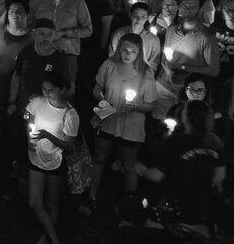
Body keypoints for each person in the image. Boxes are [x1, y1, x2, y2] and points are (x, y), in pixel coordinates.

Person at [133, 100, 226, 241]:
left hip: (175, 210)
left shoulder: (176, 142)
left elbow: (156, 176)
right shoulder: (215, 142)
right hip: (201, 212)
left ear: (185, 117)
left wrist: (141, 169)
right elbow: (219, 179)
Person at [85, 33, 157, 215]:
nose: (128, 54)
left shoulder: (145, 72)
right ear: (118, 49)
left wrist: (137, 105)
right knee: (99, 158)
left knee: (129, 165)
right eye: (124, 49)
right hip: (106, 118)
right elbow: (96, 89)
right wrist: (103, 101)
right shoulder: (109, 65)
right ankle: (91, 196)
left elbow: (152, 104)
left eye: (133, 51)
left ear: (140, 52)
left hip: (131, 124)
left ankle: (128, 204)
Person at [23, 71, 78, 244]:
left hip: (57, 160)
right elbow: (30, 123)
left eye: (51, 89)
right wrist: (30, 140)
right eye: (44, 88)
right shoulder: (37, 103)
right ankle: (54, 238)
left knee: (52, 201)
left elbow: (69, 145)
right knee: (34, 202)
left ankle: (46, 236)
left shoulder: (70, 115)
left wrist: (47, 135)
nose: (46, 92)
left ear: (62, 90)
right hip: (36, 157)